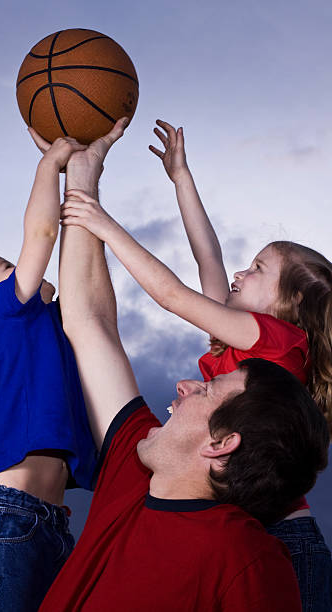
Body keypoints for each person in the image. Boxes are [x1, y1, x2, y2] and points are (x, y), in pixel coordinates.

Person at [34, 129, 329, 611]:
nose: (239, 273)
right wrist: (179, 177)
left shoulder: (279, 348)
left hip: (285, 530)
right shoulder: (235, 349)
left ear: (291, 302)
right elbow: (206, 256)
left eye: (257, 269)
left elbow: (173, 296)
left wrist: (101, 220)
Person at [0, 136, 99, 611]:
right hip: (11, 518)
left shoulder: (44, 327)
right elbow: (43, 235)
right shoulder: (5, 315)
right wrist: (50, 164)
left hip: (50, 523)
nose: (21, 265)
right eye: (7, 266)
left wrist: (85, 176)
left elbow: (77, 270)